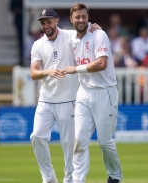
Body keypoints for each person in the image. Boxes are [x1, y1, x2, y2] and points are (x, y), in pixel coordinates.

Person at [30, 8, 101, 183]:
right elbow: (34, 73)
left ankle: (69, 180)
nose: (46, 26)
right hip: (46, 99)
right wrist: (49, 72)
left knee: (70, 145)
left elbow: (84, 28)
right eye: (43, 23)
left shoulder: (69, 36)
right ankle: (49, 179)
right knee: (37, 137)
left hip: (69, 99)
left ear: (56, 21)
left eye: (49, 22)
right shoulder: (38, 44)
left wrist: (94, 27)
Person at [61, 3, 123, 183]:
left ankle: (115, 176)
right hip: (84, 94)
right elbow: (53, 31)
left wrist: (75, 69)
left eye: (84, 17)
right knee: (79, 140)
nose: (81, 20)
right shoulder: (71, 37)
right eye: (77, 17)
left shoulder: (99, 34)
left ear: (88, 17)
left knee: (104, 142)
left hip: (105, 92)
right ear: (71, 19)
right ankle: (78, 180)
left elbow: (101, 63)